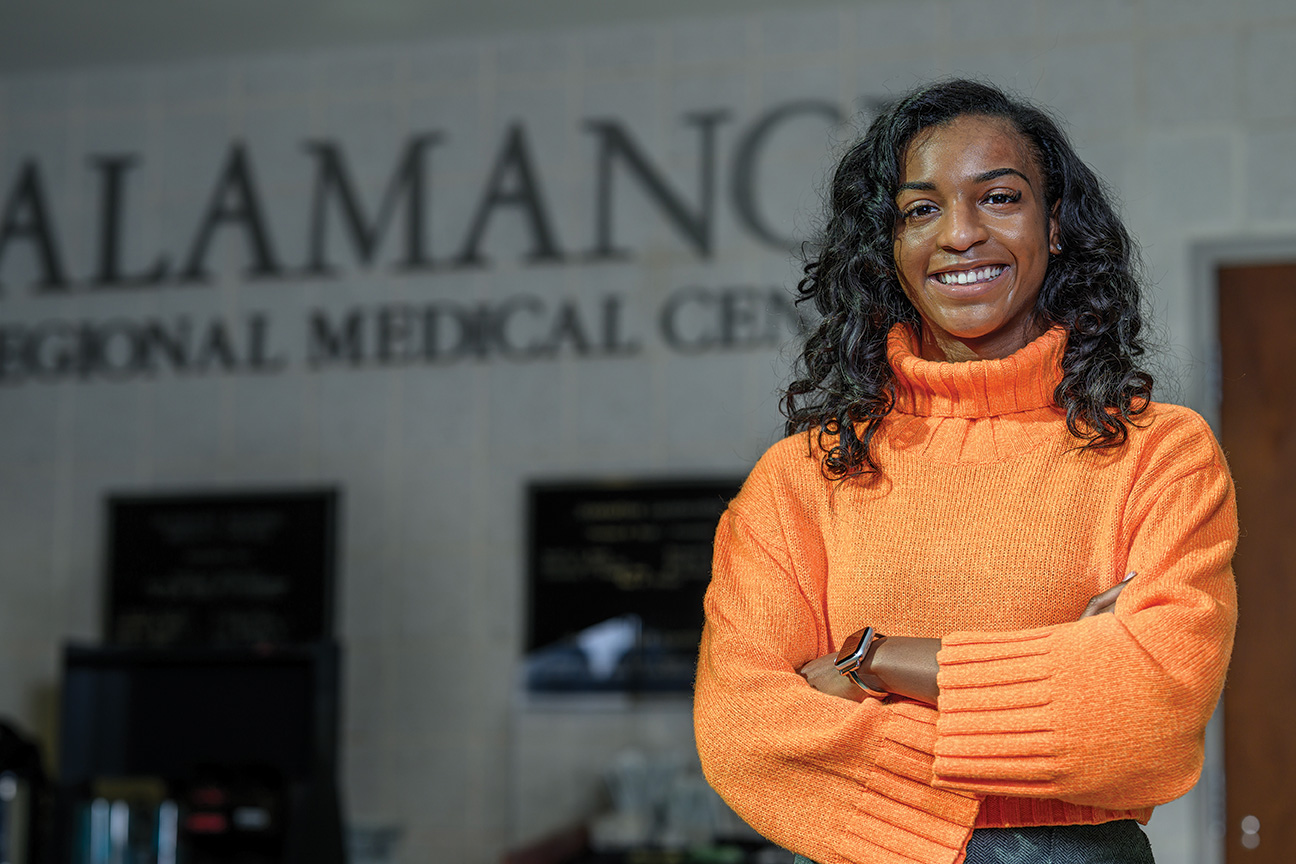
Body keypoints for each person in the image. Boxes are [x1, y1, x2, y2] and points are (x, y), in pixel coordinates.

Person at [692, 79, 1237, 864]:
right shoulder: (800, 479)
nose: (960, 234)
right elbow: (744, 732)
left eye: (1000, 198)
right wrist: (1058, 671)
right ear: (889, 248)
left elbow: (1149, 712)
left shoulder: (1159, 452)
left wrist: (868, 665)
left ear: (1054, 228)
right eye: (920, 209)